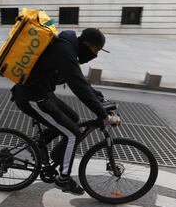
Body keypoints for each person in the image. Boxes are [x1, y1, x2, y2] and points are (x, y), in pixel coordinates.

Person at [12, 28, 121, 195]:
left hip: (43, 94)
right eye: (95, 50)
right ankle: (63, 179)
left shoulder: (69, 49)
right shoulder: (64, 51)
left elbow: (80, 81)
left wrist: (99, 98)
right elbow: (78, 87)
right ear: (86, 44)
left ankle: (41, 145)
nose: (95, 55)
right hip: (31, 98)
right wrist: (104, 115)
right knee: (73, 134)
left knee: (73, 117)